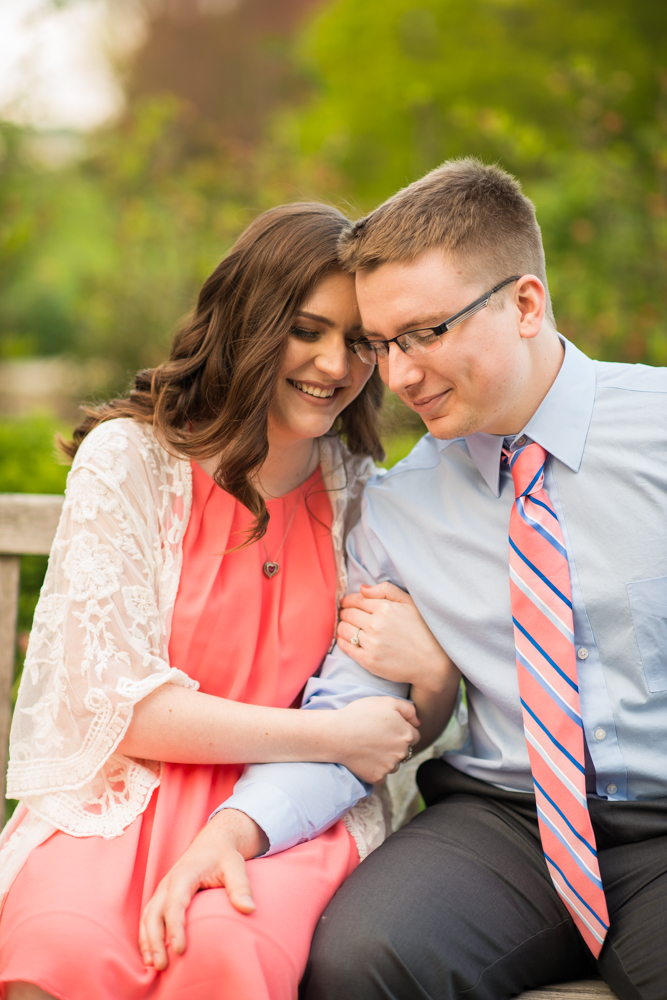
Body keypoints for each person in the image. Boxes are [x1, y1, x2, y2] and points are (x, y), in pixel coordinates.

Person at [145, 159, 667, 1000]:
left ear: (524, 304)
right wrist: (238, 829)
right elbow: (353, 712)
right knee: (358, 962)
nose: (395, 376)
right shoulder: (398, 505)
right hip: (504, 824)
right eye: (381, 344)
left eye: (426, 333)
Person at [0, 202, 441, 1000]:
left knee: (221, 951)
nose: (335, 366)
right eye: (307, 330)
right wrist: (332, 732)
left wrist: (432, 678)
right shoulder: (131, 463)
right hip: (129, 794)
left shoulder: (359, 499)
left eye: (359, 343)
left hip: (284, 811)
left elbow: (390, 723)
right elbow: (122, 712)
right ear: (248, 321)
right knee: (56, 946)